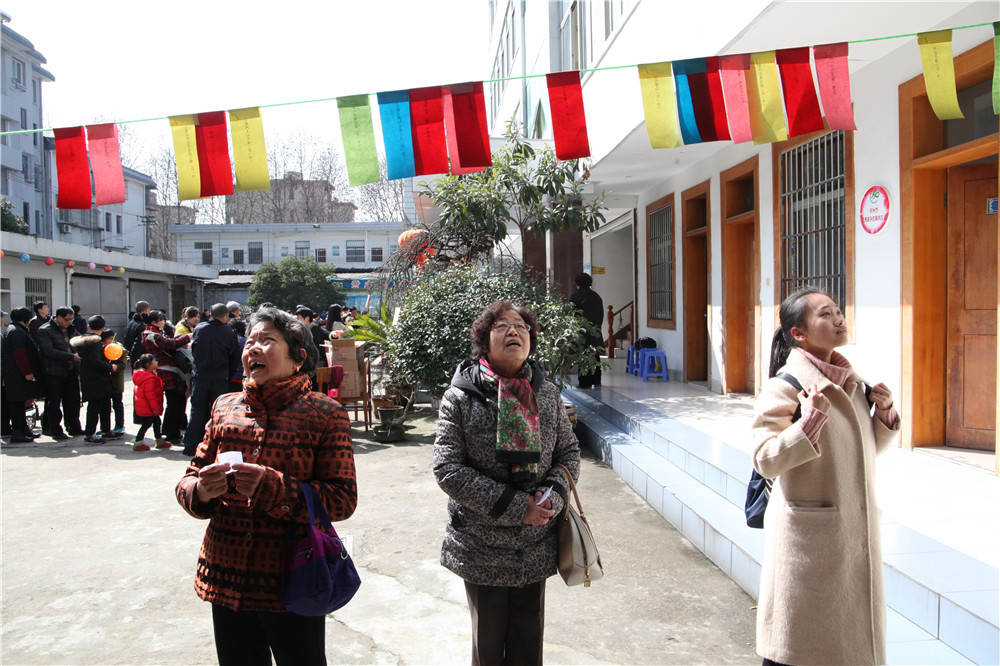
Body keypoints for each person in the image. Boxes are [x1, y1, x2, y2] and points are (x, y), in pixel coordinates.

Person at [175, 306, 357, 666]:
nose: (252, 349)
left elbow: (342, 500)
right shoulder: (225, 407)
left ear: (297, 358)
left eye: (267, 341)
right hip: (226, 576)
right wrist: (201, 491)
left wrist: (271, 485)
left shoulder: (324, 413)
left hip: (293, 577)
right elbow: (188, 479)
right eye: (250, 341)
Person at [751, 287, 900, 666]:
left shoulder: (852, 381)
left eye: (838, 311)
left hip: (850, 532)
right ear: (798, 333)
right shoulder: (786, 386)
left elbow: (856, 455)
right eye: (825, 314)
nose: (838, 319)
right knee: (799, 648)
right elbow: (765, 459)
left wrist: (883, 418)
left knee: (847, 644)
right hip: (809, 542)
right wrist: (809, 423)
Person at [434, 301, 581, 666]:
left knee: (528, 643)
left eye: (521, 326)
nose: (514, 331)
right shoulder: (461, 397)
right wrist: (519, 508)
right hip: (482, 544)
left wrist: (550, 500)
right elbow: (448, 468)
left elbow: (569, 453)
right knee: (487, 644)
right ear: (484, 342)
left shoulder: (546, 393)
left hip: (535, 543)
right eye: (501, 325)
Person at [181, 303, 240, 456]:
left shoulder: (200, 329)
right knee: (218, 413)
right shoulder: (229, 332)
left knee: (197, 411)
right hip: (220, 377)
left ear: (210, 315)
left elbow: (194, 350)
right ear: (225, 315)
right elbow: (234, 358)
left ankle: (190, 445)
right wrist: (229, 375)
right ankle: (216, 446)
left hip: (200, 376)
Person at [141, 310, 191, 444]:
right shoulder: (152, 335)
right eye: (162, 319)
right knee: (175, 402)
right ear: (154, 322)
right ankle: (170, 433)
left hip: (168, 371)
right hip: (167, 372)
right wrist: (187, 336)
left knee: (177, 402)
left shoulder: (154, 333)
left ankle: (171, 431)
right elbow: (171, 344)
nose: (164, 321)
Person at [70, 315, 121, 444]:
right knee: (95, 407)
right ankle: (90, 433)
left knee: (104, 405)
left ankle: (105, 430)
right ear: (103, 328)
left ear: (88, 327)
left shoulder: (84, 340)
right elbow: (95, 361)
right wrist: (110, 367)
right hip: (97, 378)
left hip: (89, 377)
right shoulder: (95, 342)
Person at [36, 306, 83, 440]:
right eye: (67, 320)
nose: (69, 322)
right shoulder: (45, 330)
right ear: (58, 317)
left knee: (73, 401)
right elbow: (48, 351)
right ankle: (55, 429)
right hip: (54, 372)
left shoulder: (71, 329)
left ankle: (74, 427)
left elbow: (80, 340)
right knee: (54, 402)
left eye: (71, 319)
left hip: (71, 371)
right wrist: (70, 356)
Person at [1, 307, 44, 442]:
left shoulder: (16, 330)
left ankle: (24, 429)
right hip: (16, 375)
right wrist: (27, 372)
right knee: (17, 404)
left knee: (21, 403)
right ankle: (17, 432)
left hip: (16, 374)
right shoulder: (16, 332)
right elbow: (19, 355)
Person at [569, 272, 604, 389]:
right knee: (595, 356)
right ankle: (597, 381)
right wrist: (597, 328)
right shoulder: (596, 296)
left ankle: (585, 383)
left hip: (581, 332)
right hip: (595, 332)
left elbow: (571, 315)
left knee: (583, 357)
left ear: (577, 283)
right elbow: (601, 315)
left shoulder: (575, 297)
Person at [132, 353, 168, 451]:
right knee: (147, 424)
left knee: (156, 422)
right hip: (149, 407)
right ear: (148, 365)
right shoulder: (149, 379)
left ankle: (159, 440)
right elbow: (151, 396)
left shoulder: (145, 375)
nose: (157, 362)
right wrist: (156, 408)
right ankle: (138, 442)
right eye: (154, 361)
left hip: (147, 406)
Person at [102, 329, 128, 437]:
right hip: (106, 381)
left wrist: (113, 367)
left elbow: (123, 365)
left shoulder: (120, 349)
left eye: (104, 341)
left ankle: (119, 425)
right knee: (106, 405)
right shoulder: (103, 348)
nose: (103, 343)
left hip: (116, 380)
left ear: (111, 338)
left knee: (117, 403)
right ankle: (105, 427)